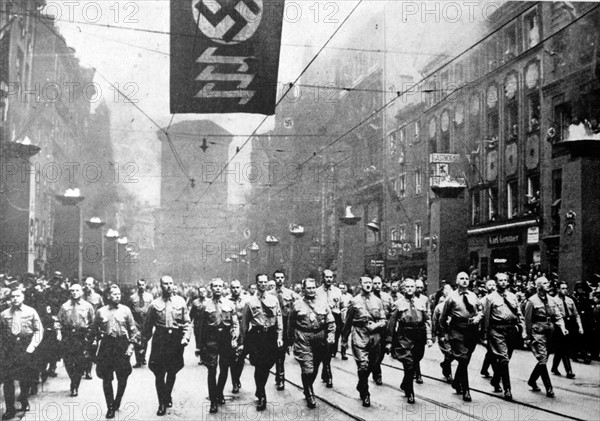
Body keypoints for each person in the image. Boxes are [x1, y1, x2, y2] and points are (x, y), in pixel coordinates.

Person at [142, 276, 191, 416]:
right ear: (160, 286)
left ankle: (167, 394)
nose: (168, 286)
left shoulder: (180, 302)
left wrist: (185, 338)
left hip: (175, 340)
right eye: (165, 284)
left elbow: (187, 322)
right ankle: (161, 403)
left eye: (171, 283)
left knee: (172, 370)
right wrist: (142, 343)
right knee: (159, 372)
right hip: (160, 340)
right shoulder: (154, 304)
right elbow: (147, 326)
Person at [88, 285, 138, 419]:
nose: (118, 296)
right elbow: (93, 331)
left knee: (123, 377)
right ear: (108, 296)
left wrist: (130, 347)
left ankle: (118, 400)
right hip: (107, 347)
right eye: (114, 294)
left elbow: (134, 331)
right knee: (106, 378)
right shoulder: (100, 312)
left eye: (119, 294)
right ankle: (110, 407)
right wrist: (91, 349)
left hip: (121, 345)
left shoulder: (126, 311)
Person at [288, 278, 335, 408]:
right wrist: (289, 341)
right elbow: (291, 324)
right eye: (308, 288)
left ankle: (307, 385)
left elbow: (330, 321)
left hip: (319, 338)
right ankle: (309, 393)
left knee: (315, 367)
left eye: (313, 287)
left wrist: (331, 335)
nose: (311, 290)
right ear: (303, 289)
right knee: (308, 369)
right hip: (303, 337)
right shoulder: (297, 304)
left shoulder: (322, 303)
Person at [240, 274, 283, 411]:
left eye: (265, 282)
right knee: (259, 365)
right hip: (257, 336)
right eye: (260, 282)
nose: (263, 284)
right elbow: (244, 324)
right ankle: (262, 394)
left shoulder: (274, 300)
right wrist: (243, 342)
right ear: (256, 283)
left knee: (268, 364)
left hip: (270, 335)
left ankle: (260, 388)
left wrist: (279, 336)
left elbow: (279, 319)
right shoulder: (250, 302)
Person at [341, 276, 387, 407]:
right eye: (365, 283)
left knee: (373, 365)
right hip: (359, 334)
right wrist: (344, 339)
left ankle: (361, 383)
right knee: (363, 364)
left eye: (370, 283)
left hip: (375, 336)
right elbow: (348, 322)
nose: (368, 285)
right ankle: (365, 393)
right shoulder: (354, 301)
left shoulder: (378, 301)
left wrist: (376, 326)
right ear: (360, 284)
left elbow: (384, 320)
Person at [196, 279, 240, 414]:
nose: (217, 288)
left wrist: (235, 337)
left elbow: (235, 323)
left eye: (220, 286)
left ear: (223, 287)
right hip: (211, 341)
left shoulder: (229, 304)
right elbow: (200, 327)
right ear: (211, 288)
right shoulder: (205, 306)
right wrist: (199, 346)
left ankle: (219, 391)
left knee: (224, 369)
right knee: (212, 370)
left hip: (225, 340)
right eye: (215, 286)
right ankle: (213, 401)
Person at [386, 278, 432, 404]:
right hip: (404, 336)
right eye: (408, 286)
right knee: (409, 363)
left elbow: (427, 320)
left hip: (418, 336)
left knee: (416, 359)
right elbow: (391, 323)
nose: (411, 289)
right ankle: (410, 392)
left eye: (413, 286)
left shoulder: (421, 303)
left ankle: (405, 383)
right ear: (403, 288)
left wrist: (428, 337)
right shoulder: (398, 304)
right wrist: (389, 341)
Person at [440, 271, 483, 402]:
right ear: (457, 281)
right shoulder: (451, 297)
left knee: (466, 359)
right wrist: (444, 333)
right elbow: (443, 316)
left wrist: (478, 317)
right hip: (457, 330)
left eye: (466, 278)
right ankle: (466, 390)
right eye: (461, 279)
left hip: (471, 330)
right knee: (463, 359)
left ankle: (456, 381)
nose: (464, 281)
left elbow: (480, 310)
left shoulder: (473, 296)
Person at [482, 273, 526, 401]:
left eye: (505, 280)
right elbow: (486, 317)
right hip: (497, 330)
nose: (503, 282)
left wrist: (522, 329)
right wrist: (485, 335)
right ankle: (507, 389)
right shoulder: (490, 298)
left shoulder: (513, 297)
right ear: (496, 283)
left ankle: (496, 379)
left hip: (511, 330)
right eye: (501, 280)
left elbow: (519, 314)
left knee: (506, 358)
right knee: (504, 358)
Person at [1, 288, 43, 420]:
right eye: (12, 296)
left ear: (23, 297)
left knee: (25, 377)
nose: (15, 298)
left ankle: (24, 399)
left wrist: (32, 346)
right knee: (8, 379)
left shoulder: (31, 311)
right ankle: (10, 409)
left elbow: (38, 330)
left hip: (26, 347)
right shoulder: (4, 314)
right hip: (10, 348)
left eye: (18, 296)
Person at [524, 276, 567, 397]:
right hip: (538, 332)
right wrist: (527, 336)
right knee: (542, 359)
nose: (547, 284)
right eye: (544, 283)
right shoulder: (531, 301)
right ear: (537, 286)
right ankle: (549, 387)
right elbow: (527, 320)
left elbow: (558, 316)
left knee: (544, 359)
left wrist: (563, 327)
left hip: (550, 332)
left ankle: (532, 380)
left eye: (547, 282)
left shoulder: (552, 300)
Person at [57, 283, 95, 397]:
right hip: (68, 335)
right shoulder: (64, 306)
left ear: (82, 292)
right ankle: (73, 379)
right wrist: (58, 332)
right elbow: (58, 321)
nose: (74, 293)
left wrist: (92, 337)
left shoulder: (88, 306)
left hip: (81, 335)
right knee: (68, 361)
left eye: (77, 290)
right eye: (72, 290)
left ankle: (75, 386)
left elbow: (93, 322)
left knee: (79, 362)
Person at [272, 270, 298, 391]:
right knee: (277, 353)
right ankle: (279, 377)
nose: (280, 280)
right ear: (274, 279)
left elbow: (296, 309)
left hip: (287, 326)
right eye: (277, 277)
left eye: (282, 277)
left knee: (281, 353)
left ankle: (280, 377)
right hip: (275, 327)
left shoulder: (291, 294)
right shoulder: (269, 294)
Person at [551, 282, 583, 378]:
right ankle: (569, 371)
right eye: (562, 288)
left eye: (566, 288)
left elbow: (576, 314)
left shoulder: (570, 300)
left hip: (570, 324)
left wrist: (580, 327)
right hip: (559, 325)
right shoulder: (553, 301)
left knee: (561, 348)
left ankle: (554, 367)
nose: (565, 290)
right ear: (558, 289)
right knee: (564, 347)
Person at [316, 269, 342, 388]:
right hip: (321, 322)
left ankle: (325, 370)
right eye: (327, 277)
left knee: (331, 348)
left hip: (334, 321)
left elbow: (342, 308)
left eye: (331, 277)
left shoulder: (337, 292)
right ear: (323, 278)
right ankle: (328, 373)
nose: (329, 279)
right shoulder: (317, 292)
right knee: (324, 347)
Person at [371, 276, 394, 385]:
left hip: (385, 329)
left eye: (379, 283)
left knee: (381, 354)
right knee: (375, 353)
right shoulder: (368, 298)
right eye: (374, 283)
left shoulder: (387, 297)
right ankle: (377, 374)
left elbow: (393, 313)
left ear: (382, 284)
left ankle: (376, 368)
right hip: (374, 329)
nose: (377, 285)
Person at [228, 280, 249, 394]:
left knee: (241, 357)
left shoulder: (247, 299)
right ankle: (234, 382)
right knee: (232, 358)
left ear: (241, 287)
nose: (235, 289)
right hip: (231, 331)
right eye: (233, 287)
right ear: (230, 288)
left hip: (244, 329)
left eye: (237, 287)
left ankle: (237, 377)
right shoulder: (226, 300)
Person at [128, 279, 153, 368]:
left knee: (145, 339)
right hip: (136, 321)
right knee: (136, 339)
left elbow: (152, 309)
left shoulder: (150, 297)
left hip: (146, 321)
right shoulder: (132, 297)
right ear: (137, 285)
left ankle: (143, 357)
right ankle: (138, 360)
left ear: (145, 285)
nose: (141, 286)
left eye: (142, 285)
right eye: (139, 285)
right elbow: (129, 310)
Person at [82, 277, 104, 380]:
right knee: (81, 347)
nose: (87, 286)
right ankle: (82, 367)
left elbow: (102, 309)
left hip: (93, 326)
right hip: (82, 325)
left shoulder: (97, 297)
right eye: (86, 284)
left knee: (91, 348)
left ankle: (88, 371)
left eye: (89, 284)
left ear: (93, 285)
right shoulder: (80, 295)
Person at [432, 284, 454, 382]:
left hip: (454, 333)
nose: (449, 291)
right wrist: (433, 335)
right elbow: (434, 321)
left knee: (454, 354)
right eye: (446, 289)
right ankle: (448, 373)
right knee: (448, 353)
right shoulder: (439, 307)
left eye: (451, 289)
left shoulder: (456, 306)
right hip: (443, 333)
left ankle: (445, 365)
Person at [480, 279, 497, 380]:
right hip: (487, 329)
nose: (492, 287)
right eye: (489, 285)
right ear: (486, 287)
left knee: (491, 351)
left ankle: (484, 369)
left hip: (496, 328)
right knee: (492, 351)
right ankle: (497, 374)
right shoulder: (483, 300)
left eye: (494, 285)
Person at [189, 285, 208, 365]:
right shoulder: (195, 302)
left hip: (207, 325)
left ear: (206, 292)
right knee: (199, 341)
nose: (202, 293)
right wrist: (189, 323)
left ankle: (207, 358)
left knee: (207, 341)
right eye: (200, 292)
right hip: (198, 325)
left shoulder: (210, 301)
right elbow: (191, 314)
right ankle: (202, 358)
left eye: (204, 291)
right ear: (198, 293)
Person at [339, 282, 352, 360]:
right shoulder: (337, 295)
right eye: (340, 288)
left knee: (345, 336)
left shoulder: (350, 296)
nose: (342, 290)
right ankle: (334, 350)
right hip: (339, 317)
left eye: (343, 288)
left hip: (346, 318)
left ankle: (343, 352)